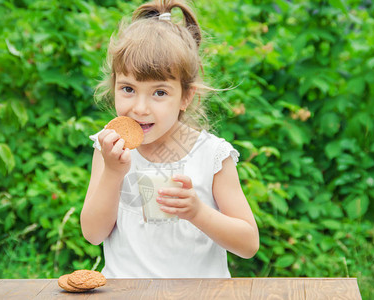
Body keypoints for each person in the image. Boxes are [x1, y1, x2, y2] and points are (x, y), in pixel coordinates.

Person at [81, 0, 259, 278]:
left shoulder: (212, 155)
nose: (140, 108)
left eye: (159, 93)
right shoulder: (108, 146)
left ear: (186, 97)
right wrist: (113, 173)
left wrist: (197, 212)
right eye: (128, 89)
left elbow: (248, 244)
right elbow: (93, 234)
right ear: (113, 85)